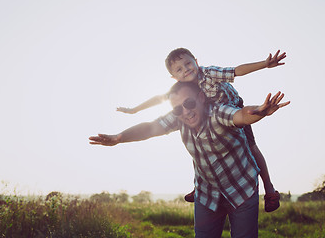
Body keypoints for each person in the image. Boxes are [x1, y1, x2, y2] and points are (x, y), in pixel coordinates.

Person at [90, 81, 290, 237]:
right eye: (178, 109)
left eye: (189, 103)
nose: (185, 111)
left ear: (201, 98)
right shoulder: (179, 118)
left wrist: (260, 112)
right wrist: (119, 138)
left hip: (241, 189)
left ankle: (269, 189)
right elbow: (149, 128)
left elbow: (240, 116)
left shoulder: (218, 111)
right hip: (207, 194)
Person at [117, 48, 286, 212]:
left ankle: (270, 189)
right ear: (173, 77)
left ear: (196, 62)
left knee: (251, 147)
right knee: (198, 144)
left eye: (188, 64)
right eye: (179, 69)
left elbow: (236, 71)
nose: (186, 70)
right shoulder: (181, 90)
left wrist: (265, 64)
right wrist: (135, 110)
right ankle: (200, 186)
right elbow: (159, 98)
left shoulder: (209, 73)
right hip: (207, 115)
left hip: (233, 111)